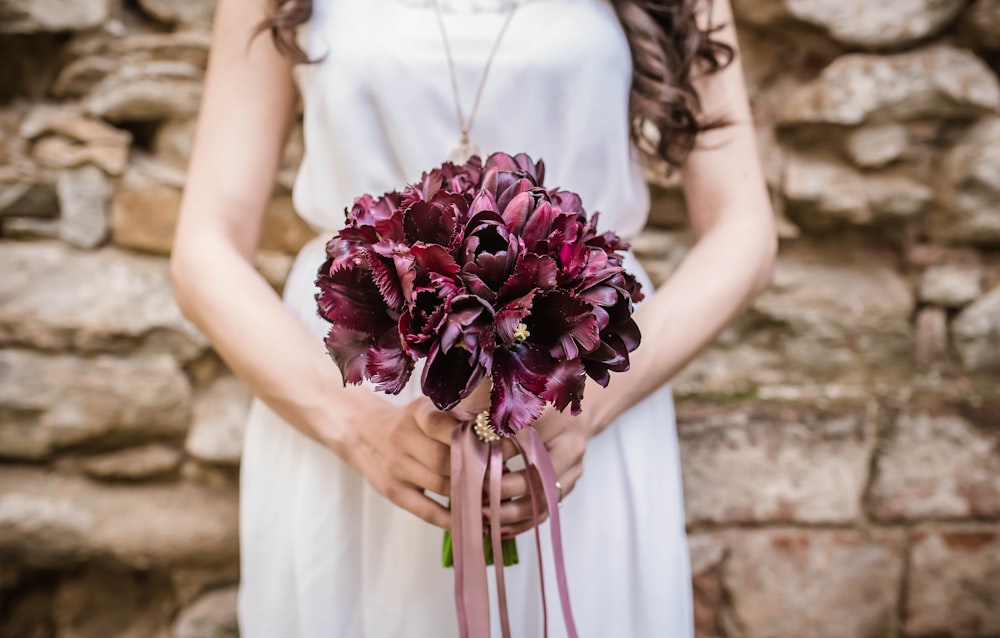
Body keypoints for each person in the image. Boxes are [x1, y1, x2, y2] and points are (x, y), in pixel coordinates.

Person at [170, 0, 776, 635]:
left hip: (582, 388)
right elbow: (204, 249)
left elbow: (745, 232)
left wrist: (589, 410)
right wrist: (360, 429)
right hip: (351, 390)